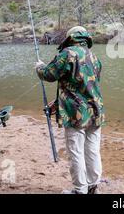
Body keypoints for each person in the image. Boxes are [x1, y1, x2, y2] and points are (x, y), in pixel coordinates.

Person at [35, 26, 105, 194]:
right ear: (85, 39)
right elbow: (84, 86)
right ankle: (92, 186)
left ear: (70, 38)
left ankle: (80, 190)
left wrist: (39, 67)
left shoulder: (68, 54)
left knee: (76, 152)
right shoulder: (94, 57)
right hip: (96, 111)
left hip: (76, 115)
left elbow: (48, 75)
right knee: (93, 150)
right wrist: (57, 102)